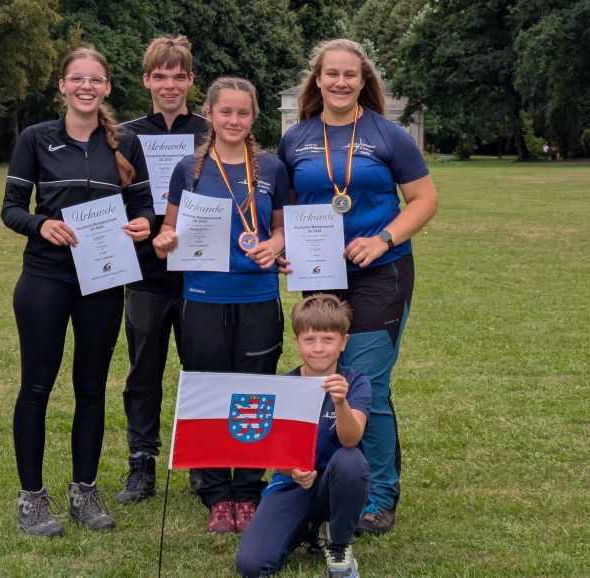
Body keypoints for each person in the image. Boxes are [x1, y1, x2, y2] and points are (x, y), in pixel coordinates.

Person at [277, 38, 438, 536]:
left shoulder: (389, 135)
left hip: (380, 272)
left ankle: (381, 494)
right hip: (319, 275)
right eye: (332, 74)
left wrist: (383, 238)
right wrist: (284, 245)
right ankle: (331, 480)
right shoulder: (296, 138)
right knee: (324, 381)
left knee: (368, 383)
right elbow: (285, 207)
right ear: (318, 80)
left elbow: (424, 199)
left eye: (351, 75)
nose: (341, 82)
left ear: (364, 81)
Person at [1, 47, 154, 537]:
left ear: (107, 87)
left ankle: (84, 493)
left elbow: (147, 206)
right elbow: (10, 208)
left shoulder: (125, 142)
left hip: (104, 278)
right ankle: (32, 499)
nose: (86, 86)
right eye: (77, 78)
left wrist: (143, 224)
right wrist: (41, 224)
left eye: (96, 79)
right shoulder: (36, 139)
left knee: (91, 388)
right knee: (37, 386)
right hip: (46, 278)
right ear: (63, 85)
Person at [153, 77, 290, 534]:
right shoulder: (188, 168)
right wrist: (165, 238)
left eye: (243, 113)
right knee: (210, 394)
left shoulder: (271, 166)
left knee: (254, 396)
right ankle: (215, 493)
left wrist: (274, 245)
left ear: (254, 117)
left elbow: (280, 229)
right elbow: (167, 232)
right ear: (209, 113)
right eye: (225, 112)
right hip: (203, 297)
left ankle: (248, 493)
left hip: (258, 297)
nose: (234, 120)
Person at [116, 34, 209, 506]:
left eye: (178, 76)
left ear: (191, 79)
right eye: (160, 76)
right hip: (147, 273)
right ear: (146, 79)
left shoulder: (214, 130)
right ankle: (141, 464)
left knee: (200, 369)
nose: (169, 85)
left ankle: (199, 463)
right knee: (143, 371)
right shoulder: (125, 134)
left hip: (202, 272)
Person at [235, 294, 371, 578]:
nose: (318, 349)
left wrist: (340, 402)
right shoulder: (283, 386)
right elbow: (272, 453)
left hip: (337, 484)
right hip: (293, 484)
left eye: (328, 339)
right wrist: (292, 470)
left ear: (343, 342)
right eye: (309, 340)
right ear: (297, 342)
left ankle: (339, 543)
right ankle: (306, 527)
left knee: (350, 460)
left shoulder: (356, 382)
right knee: (250, 565)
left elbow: (351, 439)